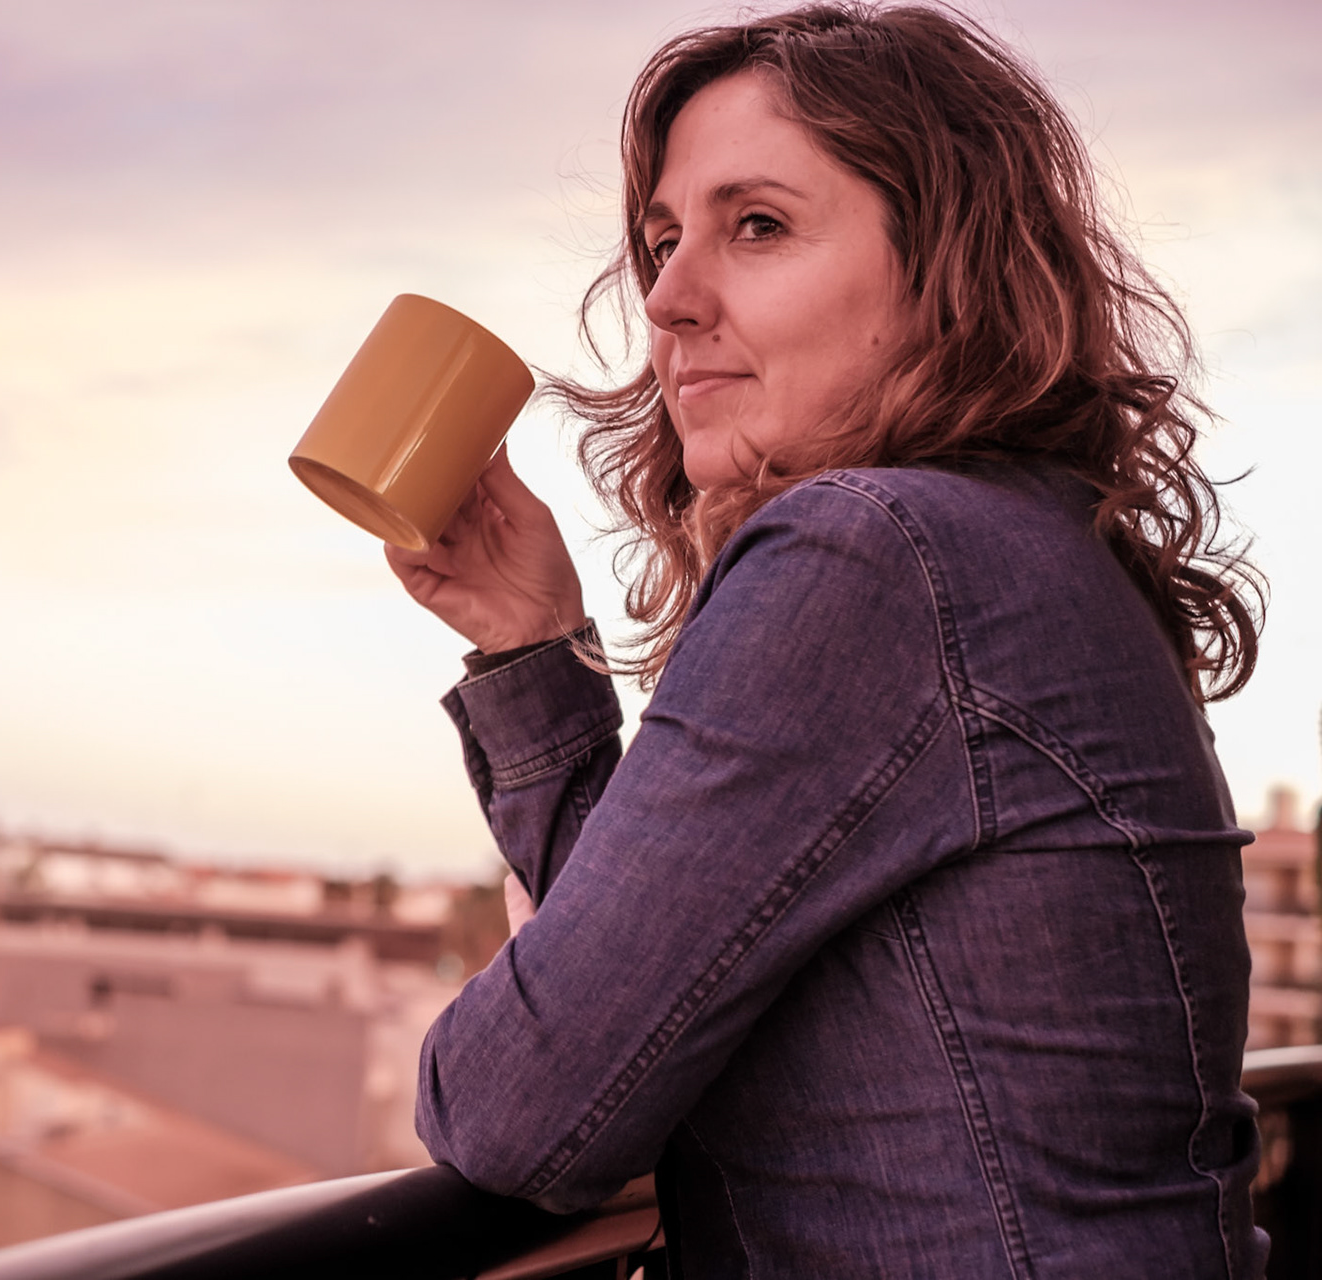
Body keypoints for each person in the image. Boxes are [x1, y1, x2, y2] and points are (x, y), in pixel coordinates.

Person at [385, 5, 1268, 1277]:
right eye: (660, 240)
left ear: (946, 264)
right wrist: (533, 643)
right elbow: (656, 983)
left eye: (758, 225)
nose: (673, 298)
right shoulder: (1028, 544)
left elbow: (515, 1107)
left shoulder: (879, 550)